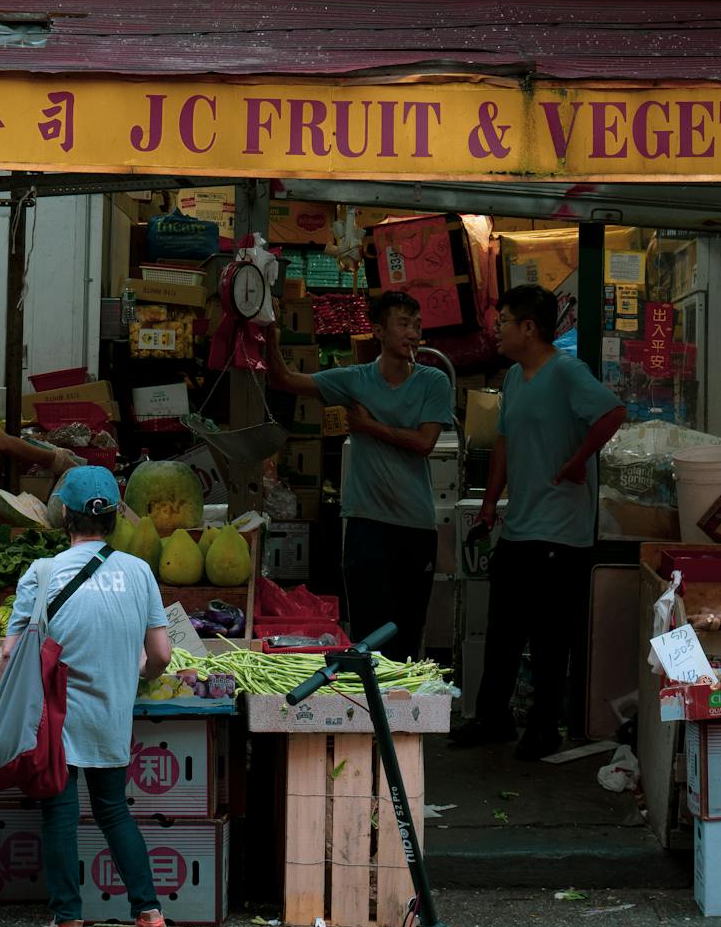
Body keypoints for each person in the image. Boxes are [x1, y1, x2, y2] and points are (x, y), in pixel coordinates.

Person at [0, 466, 173, 927]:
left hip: (56, 715)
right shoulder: (138, 572)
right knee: (115, 811)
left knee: (60, 813)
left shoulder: (43, 571)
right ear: (116, 517)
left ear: (64, 518)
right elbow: (160, 655)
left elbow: (12, 654)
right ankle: (150, 917)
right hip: (112, 714)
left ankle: (68, 926)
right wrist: (134, 675)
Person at [448, 284, 626, 760]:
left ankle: (545, 728)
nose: (497, 329)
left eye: (504, 320)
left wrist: (577, 461)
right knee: (503, 630)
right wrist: (489, 504)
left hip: (562, 534)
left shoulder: (568, 372)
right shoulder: (513, 378)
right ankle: (493, 718)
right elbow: (504, 440)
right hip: (521, 526)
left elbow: (613, 413)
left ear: (529, 328)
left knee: (550, 638)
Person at [263, 292, 453, 660]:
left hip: (415, 526)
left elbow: (424, 442)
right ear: (379, 331)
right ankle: (371, 714)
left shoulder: (433, 381)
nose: (412, 332)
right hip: (367, 526)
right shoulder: (355, 379)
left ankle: (403, 713)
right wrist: (270, 333)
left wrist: (369, 426)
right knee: (368, 635)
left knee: (408, 632)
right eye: (403, 323)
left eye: (416, 324)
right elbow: (284, 379)